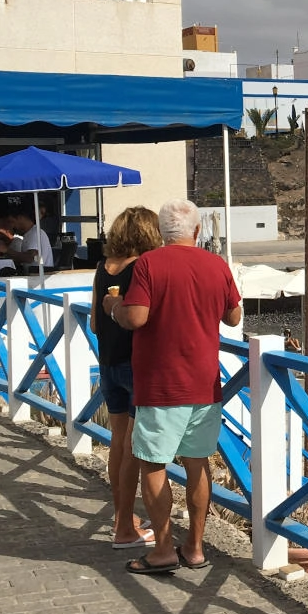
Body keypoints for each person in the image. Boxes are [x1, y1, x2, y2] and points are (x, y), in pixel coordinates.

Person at [103, 200, 241, 575]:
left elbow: (136, 317)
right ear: (197, 231)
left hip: (161, 383)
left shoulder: (150, 264)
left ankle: (163, 550)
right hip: (204, 382)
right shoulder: (217, 264)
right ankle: (194, 548)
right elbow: (233, 317)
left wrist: (113, 306)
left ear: (163, 233)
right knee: (198, 463)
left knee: (153, 464)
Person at [90, 207, 162, 550]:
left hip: (108, 363)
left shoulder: (102, 268)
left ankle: (124, 518)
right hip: (136, 364)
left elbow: (94, 323)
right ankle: (124, 530)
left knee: (118, 443)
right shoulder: (144, 268)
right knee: (133, 447)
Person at [5, 206, 53, 270]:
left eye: (12, 222)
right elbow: (35, 259)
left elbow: (30, 258)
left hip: (39, 274)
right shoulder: (30, 234)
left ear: (20, 218)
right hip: (35, 273)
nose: (11, 226)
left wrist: (7, 250)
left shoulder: (34, 233)